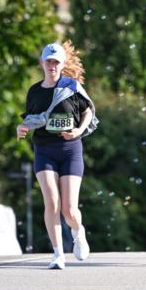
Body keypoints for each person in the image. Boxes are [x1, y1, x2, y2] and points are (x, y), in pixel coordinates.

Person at [17, 41, 97, 269]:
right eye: (48, 61)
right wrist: (22, 128)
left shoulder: (72, 87)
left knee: (69, 210)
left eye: (56, 62)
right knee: (51, 203)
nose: (52, 66)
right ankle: (58, 254)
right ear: (42, 63)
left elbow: (88, 112)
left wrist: (79, 130)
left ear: (62, 65)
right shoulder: (34, 91)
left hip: (70, 151)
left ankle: (78, 232)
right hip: (44, 151)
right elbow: (32, 120)